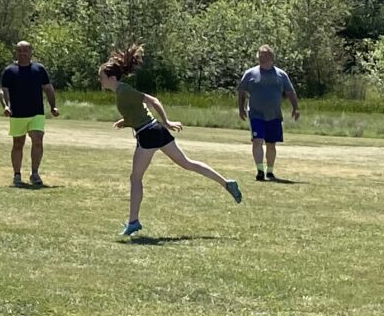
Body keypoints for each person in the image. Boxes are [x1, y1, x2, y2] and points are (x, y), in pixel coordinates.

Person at [101, 43, 243, 238]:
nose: (100, 81)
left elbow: (152, 101)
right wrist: (125, 122)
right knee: (187, 163)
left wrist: (166, 121)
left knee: (135, 178)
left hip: (149, 133)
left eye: (101, 77)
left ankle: (133, 222)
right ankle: (227, 183)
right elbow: (138, 113)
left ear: (112, 78)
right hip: (153, 131)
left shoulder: (124, 91)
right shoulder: (121, 92)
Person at [237, 44, 301, 182]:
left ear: (272, 57)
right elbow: (241, 91)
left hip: (274, 115)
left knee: (271, 144)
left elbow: (290, 92)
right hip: (256, 114)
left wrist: (295, 107)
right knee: (257, 141)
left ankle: (270, 171)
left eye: (265, 55)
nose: (262, 57)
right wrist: (241, 108)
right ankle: (260, 170)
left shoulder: (281, 74)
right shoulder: (250, 74)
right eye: (260, 54)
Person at [0, 40, 57, 188]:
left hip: (36, 112)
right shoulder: (9, 71)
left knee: (37, 140)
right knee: (18, 144)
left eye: (26, 50)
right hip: (17, 113)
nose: (23, 53)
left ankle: (35, 173)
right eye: (20, 50)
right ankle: (17, 175)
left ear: (31, 52)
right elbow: (3, 90)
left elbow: (48, 88)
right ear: (16, 52)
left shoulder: (39, 69)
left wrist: (53, 107)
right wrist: (5, 106)